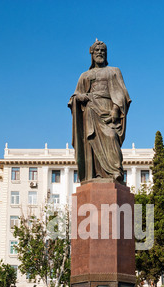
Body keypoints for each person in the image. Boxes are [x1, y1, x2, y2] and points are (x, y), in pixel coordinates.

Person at [68, 40, 131, 183]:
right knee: (91, 143)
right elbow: (74, 96)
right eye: (97, 51)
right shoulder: (84, 75)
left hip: (108, 111)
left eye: (103, 51)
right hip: (90, 112)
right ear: (91, 54)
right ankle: (95, 174)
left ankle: (115, 172)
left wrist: (116, 109)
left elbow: (122, 93)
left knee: (111, 136)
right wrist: (79, 98)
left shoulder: (114, 71)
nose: (100, 53)